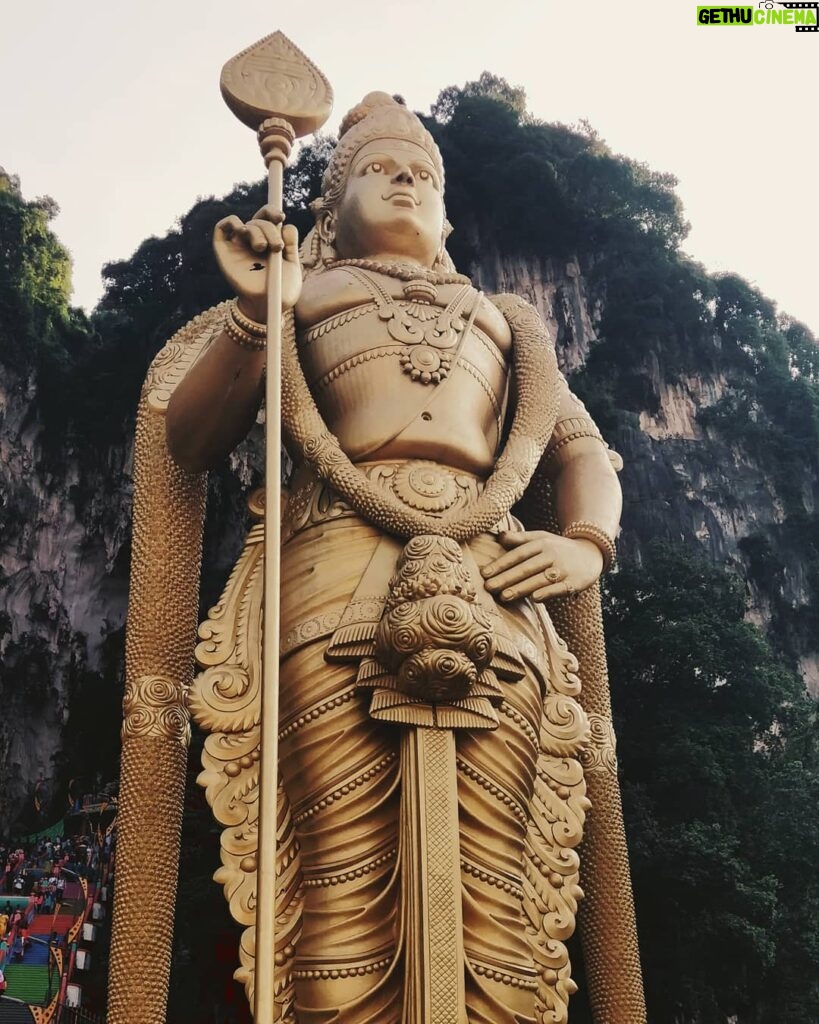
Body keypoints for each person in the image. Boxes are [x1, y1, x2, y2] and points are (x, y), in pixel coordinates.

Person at [159, 91, 635, 1024]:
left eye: (423, 173)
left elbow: (582, 453)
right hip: (333, 573)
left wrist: (584, 542)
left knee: (499, 883)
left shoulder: (504, 325)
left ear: (449, 214)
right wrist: (256, 315)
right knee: (341, 870)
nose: (407, 180)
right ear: (330, 208)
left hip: (494, 579)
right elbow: (189, 438)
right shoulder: (303, 293)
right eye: (381, 169)